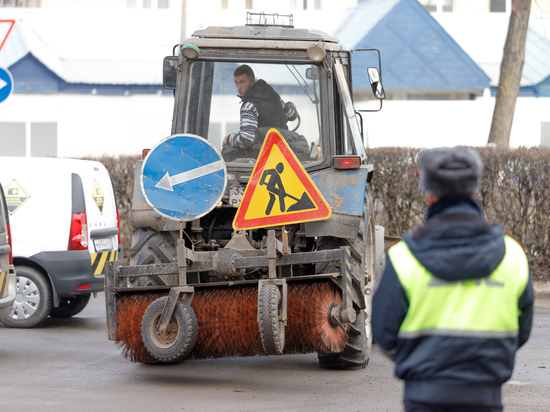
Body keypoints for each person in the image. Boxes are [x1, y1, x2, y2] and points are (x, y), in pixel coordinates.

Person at [372, 148, 534, 412]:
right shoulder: (513, 255)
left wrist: (421, 364)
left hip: (423, 397)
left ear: (428, 193)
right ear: (474, 191)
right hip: (486, 396)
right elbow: (521, 331)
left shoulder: (404, 257)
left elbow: (384, 334)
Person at [222, 64, 307, 161]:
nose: (239, 87)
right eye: (236, 83)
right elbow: (292, 115)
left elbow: (246, 140)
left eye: (242, 82)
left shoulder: (248, 106)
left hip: (263, 155)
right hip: (283, 151)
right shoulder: (275, 98)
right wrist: (291, 107)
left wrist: (228, 138)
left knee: (228, 149)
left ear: (252, 82)